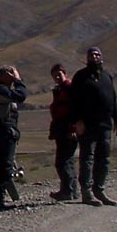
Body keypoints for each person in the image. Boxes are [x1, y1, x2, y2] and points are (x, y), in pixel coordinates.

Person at [70, 46, 117, 206]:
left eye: (97, 54)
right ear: (87, 58)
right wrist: (76, 121)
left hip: (105, 125)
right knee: (87, 158)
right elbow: (73, 101)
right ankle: (86, 192)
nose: (94, 56)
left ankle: (99, 189)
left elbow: (113, 100)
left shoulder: (107, 76)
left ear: (101, 57)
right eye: (91, 54)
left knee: (104, 159)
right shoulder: (80, 77)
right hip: (87, 125)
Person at [0, 65, 27, 210]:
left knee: (0, 166)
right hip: (4, 131)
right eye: (11, 74)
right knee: (4, 167)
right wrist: (19, 81)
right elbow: (20, 96)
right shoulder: (0, 89)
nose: (12, 78)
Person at [47, 64, 78, 201]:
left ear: (64, 73)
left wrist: (72, 128)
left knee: (63, 161)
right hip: (61, 127)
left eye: (59, 74)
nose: (57, 78)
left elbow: (73, 109)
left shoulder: (69, 88)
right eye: (55, 76)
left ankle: (67, 191)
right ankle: (71, 190)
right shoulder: (60, 89)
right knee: (67, 160)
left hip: (68, 128)